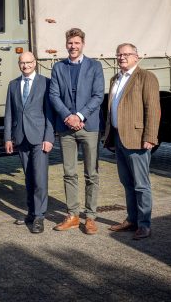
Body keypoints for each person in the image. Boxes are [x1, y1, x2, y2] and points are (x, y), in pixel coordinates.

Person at [49, 28, 104, 234]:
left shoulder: (95, 66)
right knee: (69, 173)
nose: (73, 46)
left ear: (83, 44)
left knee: (91, 173)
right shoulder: (58, 67)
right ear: (66, 44)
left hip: (89, 126)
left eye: (77, 43)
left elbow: (98, 95)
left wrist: (80, 116)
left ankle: (90, 217)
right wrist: (68, 116)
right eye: (70, 43)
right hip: (66, 128)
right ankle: (72, 215)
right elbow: (54, 95)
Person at [103, 43, 160, 240]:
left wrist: (150, 137)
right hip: (119, 137)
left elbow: (153, 109)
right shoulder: (115, 79)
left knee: (141, 185)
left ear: (136, 57)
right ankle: (132, 220)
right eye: (119, 54)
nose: (122, 57)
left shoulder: (146, 77)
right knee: (127, 182)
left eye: (127, 54)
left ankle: (144, 225)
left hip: (137, 139)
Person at [4, 51, 54, 234]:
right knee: (29, 177)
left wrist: (49, 137)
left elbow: (50, 113)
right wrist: (8, 137)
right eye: (22, 63)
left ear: (35, 63)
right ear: (19, 64)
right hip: (21, 137)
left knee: (40, 178)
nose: (25, 66)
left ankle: (40, 216)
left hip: (39, 138)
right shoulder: (13, 84)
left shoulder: (46, 83)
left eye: (28, 62)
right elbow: (9, 113)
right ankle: (31, 212)